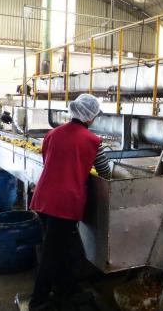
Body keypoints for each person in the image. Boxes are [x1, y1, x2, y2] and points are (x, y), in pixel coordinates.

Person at [28, 94, 111, 310]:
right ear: (90, 117)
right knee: (52, 254)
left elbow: (48, 160)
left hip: (43, 198)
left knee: (61, 249)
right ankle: (38, 301)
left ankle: (65, 291)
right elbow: (105, 172)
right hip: (64, 204)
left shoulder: (52, 134)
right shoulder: (93, 141)